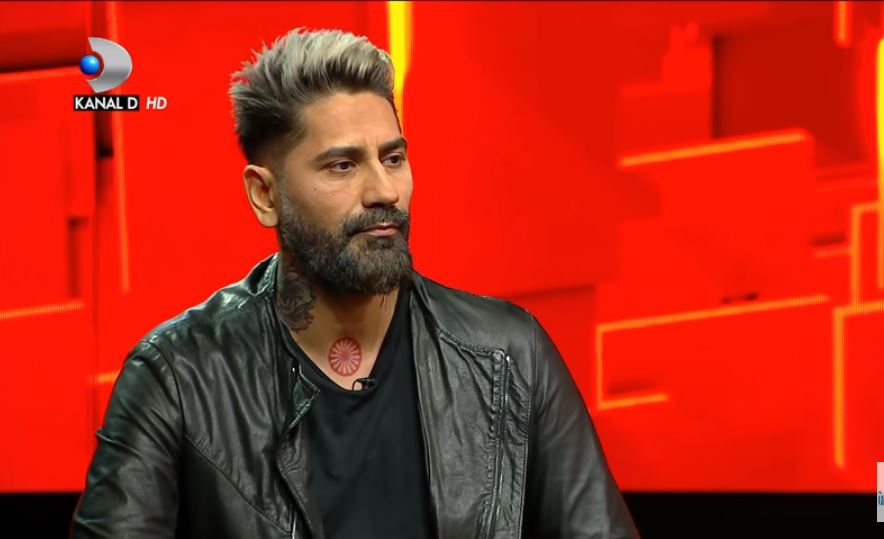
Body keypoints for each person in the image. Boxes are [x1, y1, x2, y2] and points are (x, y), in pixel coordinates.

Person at [71, 27, 638, 539]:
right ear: (265, 195)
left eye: (392, 159)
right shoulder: (177, 378)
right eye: (342, 166)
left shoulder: (510, 356)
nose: (383, 191)